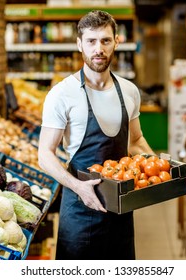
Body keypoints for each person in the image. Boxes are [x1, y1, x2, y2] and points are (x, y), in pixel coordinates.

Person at [38, 10, 154, 260]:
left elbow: (135, 140)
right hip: (80, 209)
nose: (98, 48)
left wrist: (156, 166)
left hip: (122, 206)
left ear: (116, 42)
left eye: (105, 40)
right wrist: (78, 187)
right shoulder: (62, 94)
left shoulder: (130, 91)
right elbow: (44, 154)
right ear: (79, 44)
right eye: (91, 41)